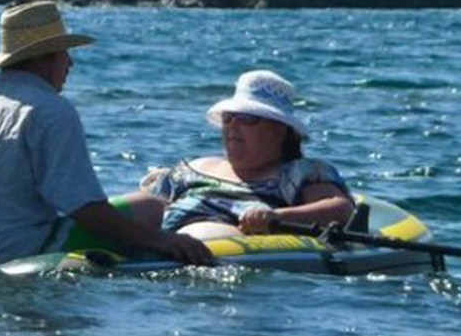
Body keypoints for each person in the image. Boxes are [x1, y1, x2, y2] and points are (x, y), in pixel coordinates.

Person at [0, 1, 214, 270]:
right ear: (46, 58)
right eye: (66, 54)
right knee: (149, 206)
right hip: (17, 259)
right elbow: (87, 210)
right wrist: (161, 240)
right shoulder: (51, 110)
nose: (72, 63)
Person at [132, 70, 355, 236]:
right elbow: (149, 208)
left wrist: (276, 217)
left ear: (278, 130)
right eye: (229, 117)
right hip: (158, 245)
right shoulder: (194, 168)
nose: (233, 125)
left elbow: (340, 208)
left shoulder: (298, 173)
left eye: (247, 118)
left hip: (219, 252)